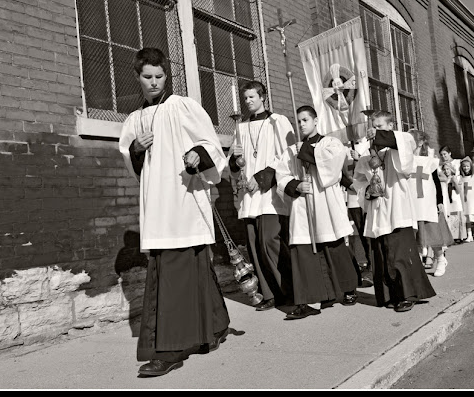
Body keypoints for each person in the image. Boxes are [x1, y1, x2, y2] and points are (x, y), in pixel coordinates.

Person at [119, 48, 230, 377]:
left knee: (176, 274)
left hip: (183, 201)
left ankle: (170, 350)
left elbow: (210, 143)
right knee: (192, 270)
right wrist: (136, 150)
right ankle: (213, 328)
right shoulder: (134, 119)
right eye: (146, 77)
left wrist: (198, 153)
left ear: (167, 76)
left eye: (159, 76)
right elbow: (131, 161)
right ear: (138, 77)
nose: (153, 83)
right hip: (158, 208)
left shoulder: (181, 106)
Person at [275, 105, 360, 320]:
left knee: (334, 247)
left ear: (315, 121)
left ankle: (348, 288)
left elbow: (332, 166)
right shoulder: (292, 149)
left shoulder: (330, 143)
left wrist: (308, 152)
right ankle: (309, 300)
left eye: (305, 120)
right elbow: (281, 174)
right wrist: (294, 185)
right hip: (303, 206)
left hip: (325, 204)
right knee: (303, 252)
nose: (302, 124)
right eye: (299, 120)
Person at [352, 110, 436, 312]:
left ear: (390, 127)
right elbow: (358, 181)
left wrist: (380, 137)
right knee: (382, 256)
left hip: (397, 210)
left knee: (399, 254)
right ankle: (389, 295)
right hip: (378, 212)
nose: (374, 131)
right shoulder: (367, 157)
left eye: (379, 127)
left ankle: (407, 294)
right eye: (372, 126)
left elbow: (405, 154)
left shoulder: (402, 143)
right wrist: (367, 191)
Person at [229, 80, 295, 312]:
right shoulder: (241, 126)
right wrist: (234, 160)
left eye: (252, 97)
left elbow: (288, 155)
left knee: (269, 241)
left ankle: (289, 289)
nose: (248, 102)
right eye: (245, 98)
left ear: (263, 96)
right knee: (255, 246)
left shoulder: (278, 121)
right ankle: (268, 294)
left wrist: (262, 178)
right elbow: (234, 166)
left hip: (269, 194)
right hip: (249, 196)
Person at [408, 129, 453, 277]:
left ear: (420, 142)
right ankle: (419, 263)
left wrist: (439, 201)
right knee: (417, 234)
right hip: (413, 202)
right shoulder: (406, 161)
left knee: (432, 231)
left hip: (427, 201)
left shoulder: (429, 160)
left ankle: (440, 259)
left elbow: (436, 181)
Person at [343, 142, 374, 287]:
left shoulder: (367, 145)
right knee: (361, 234)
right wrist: (350, 185)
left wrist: (359, 157)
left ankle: (373, 267)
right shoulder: (341, 148)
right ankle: (367, 265)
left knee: (370, 233)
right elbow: (339, 173)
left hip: (367, 196)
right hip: (352, 197)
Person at [439, 161, 467, 243]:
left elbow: (459, 191)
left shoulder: (456, 178)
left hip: (455, 199)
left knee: (457, 218)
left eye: (448, 169)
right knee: (450, 218)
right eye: (445, 169)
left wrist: (454, 182)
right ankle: (451, 237)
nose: (446, 171)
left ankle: (459, 236)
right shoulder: (444, 179)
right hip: (448, 201)